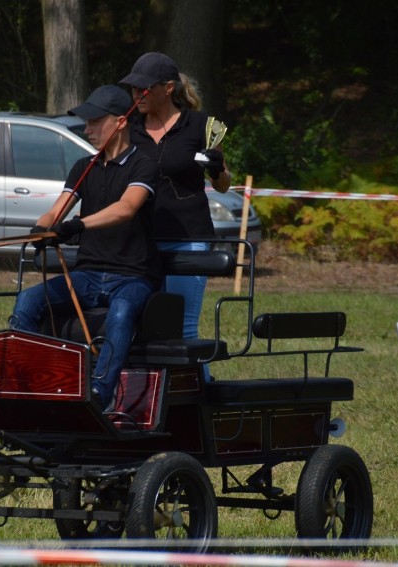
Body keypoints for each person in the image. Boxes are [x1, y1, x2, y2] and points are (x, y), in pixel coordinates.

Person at [10, 85, 161, 412]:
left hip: (133, 277)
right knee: (28, 300)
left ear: (120, 122)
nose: (87, 129)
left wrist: (77, 225)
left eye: (95, 121)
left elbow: (126, 208)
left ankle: (99, 397)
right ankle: (34, 382)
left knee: (121, 312)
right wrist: (42, 228)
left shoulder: (143, 165)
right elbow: (56, 211)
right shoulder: (83, 168)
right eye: (86, 122)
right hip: (88, 275)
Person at [120, 52, 233, 381]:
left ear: (168, 88)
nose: (136, 95)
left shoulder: (200, 126)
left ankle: (202, 395)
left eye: (143, 89)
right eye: (132, 89)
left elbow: (224, 184)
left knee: (183, 326)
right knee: (144, 326)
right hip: (142, 242)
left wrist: (215, 169)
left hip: (189, 240)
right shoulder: (129, 129)